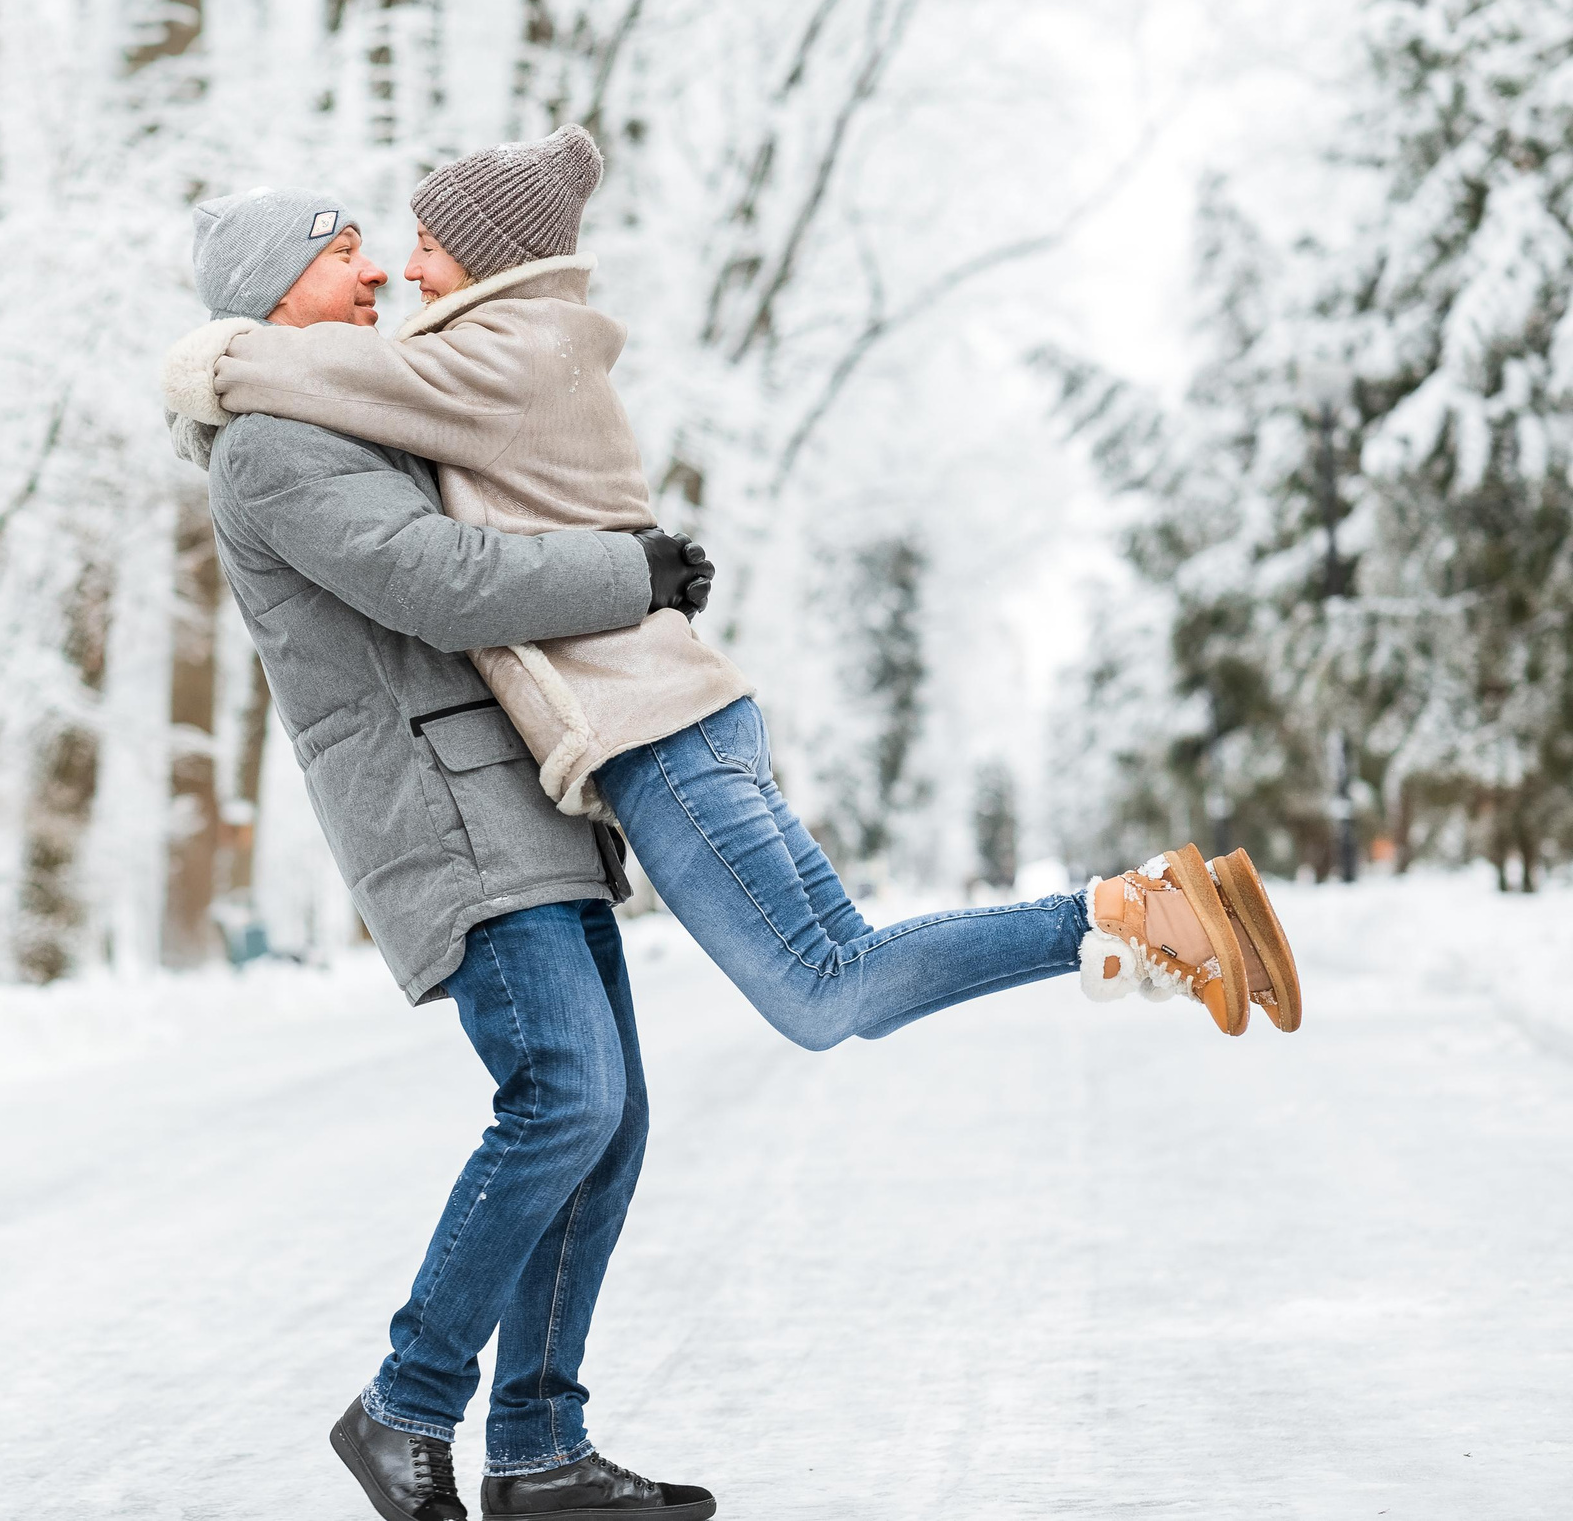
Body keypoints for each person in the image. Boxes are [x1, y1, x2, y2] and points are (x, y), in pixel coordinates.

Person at [165, 128, 1305, 1047]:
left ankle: (1125, 914)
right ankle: (1176, 921)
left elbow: (347, 391)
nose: (404, 272)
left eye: (423, 245)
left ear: (487, 256)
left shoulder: (493, 354)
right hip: (688, 719)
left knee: (822, 991)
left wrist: (212, 361)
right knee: (844, 972)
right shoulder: (526, 346)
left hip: (652, 729)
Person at [171, 185, 719, 1521]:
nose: (372, 277)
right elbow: (442, 579)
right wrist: (629, 573)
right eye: (342, 258)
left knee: (608, 1120)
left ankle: (538, 1449)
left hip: (521, 802)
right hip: (444, 814)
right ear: (272, 291)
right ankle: (405, 1404)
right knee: (565, 1097)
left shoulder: (349, 414)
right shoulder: (271, 449)